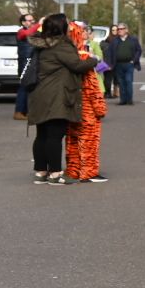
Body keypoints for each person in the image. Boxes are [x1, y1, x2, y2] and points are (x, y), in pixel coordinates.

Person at [26, 13, 99, 185]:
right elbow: (77, 65)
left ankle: (41, 171)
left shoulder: (42, 43)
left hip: (40, 94)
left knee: (42, 134)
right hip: (56, 95)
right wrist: (93, 60)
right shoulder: (61, 45)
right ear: (61, 27)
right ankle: (55, 173)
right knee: (55, 135)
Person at [63, 22, 109, 183]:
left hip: (70, 104)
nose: (84, 34)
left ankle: (73, 170)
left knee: (72, 140)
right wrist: (100, 108)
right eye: (82, 32)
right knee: (88, 140)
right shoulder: (84, 58)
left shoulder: (65, 56)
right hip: (86, 107)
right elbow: (91, 87)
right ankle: (89, 172)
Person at [110, 23, 141, 105]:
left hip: (129, 64)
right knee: (121, 82)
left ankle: (129, 100)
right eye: (118, 29)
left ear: (126, 30)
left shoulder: (133, 39)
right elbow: (111, 52)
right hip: (118, 65)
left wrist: (134, 60)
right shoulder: (115, 40)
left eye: (121, 29)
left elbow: (139, 50)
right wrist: (111, 64)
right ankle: (123, 100)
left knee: (128, 80)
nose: (119, 31)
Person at [13, 12, 37, 119]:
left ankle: (27, 111)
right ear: (23, 22)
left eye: (33, 20)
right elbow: (26, 34)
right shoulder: (21, 32)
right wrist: (39, 24)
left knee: (30, 86)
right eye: (29, 20)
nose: (32, 22)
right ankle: (19, 111)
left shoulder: (34, 32)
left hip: (31, 61)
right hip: (25, 62)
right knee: (24, 86)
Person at [100, 24, 119, 98]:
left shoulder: (120, 39)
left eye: (116, 30)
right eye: (113, 30)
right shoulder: (107, 40)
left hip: (117, 62)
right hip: (108, 62)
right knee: (108, 79)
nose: (115, 31)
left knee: (117, 79)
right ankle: (107, 93)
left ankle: (115, 92)